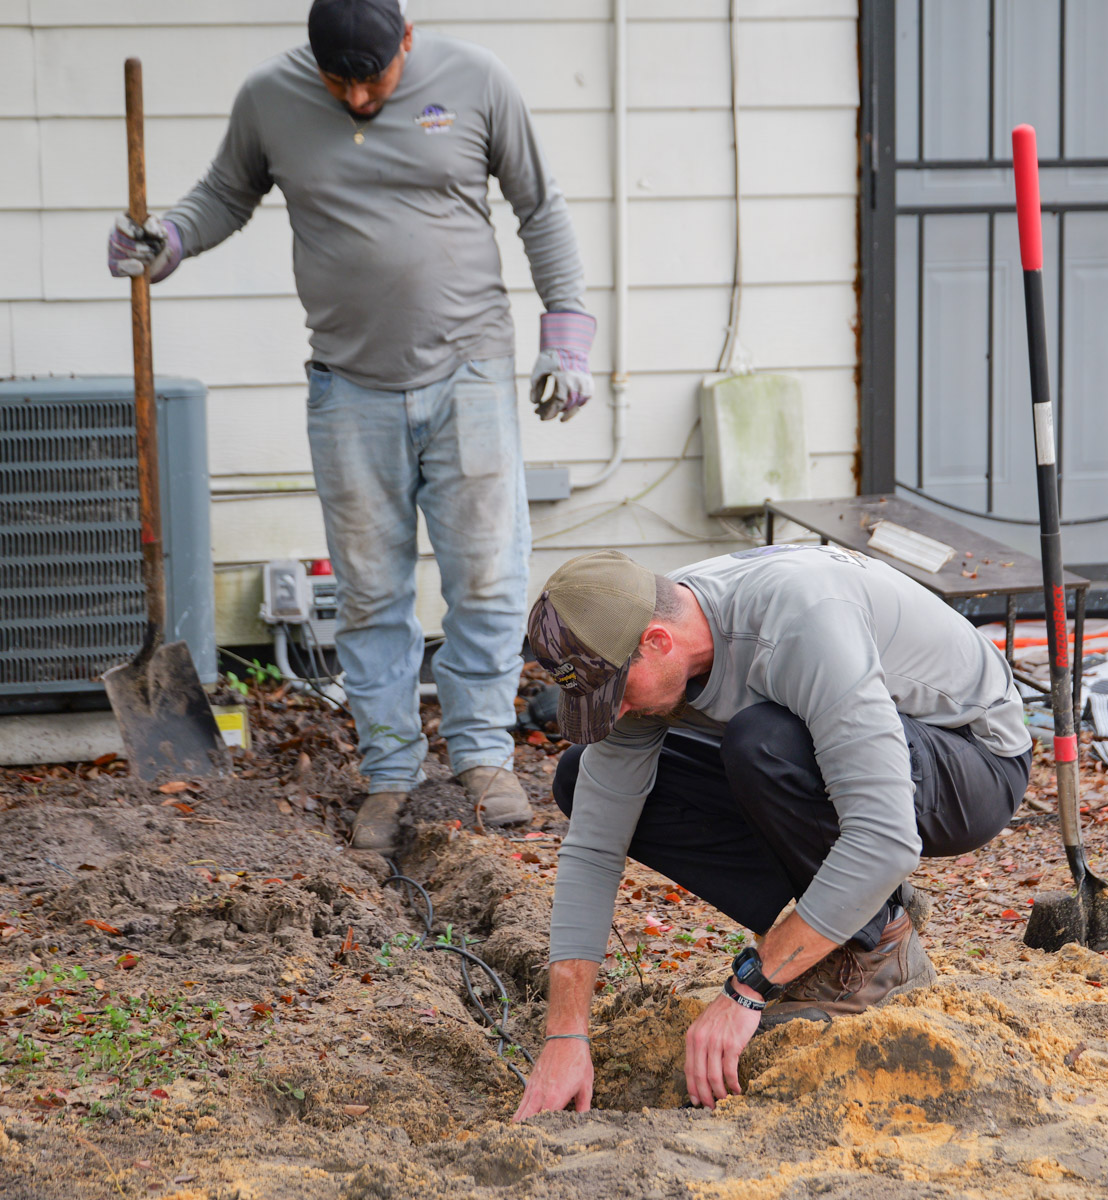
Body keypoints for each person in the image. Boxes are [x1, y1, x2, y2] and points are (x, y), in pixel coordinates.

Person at [107, 0, 595, 844]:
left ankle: (481, 754)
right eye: (341, 83)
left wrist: (568, 336)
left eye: (375, 80)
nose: (360, 100)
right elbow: (227, 191)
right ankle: (390, 769)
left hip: (469, 371)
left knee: (487, 577)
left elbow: (539, 206)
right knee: (370, 591)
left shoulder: (477, 81)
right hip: (349, 386)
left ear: (408, 38)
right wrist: (172, 237)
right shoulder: (273, 96)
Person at [513, 545, 1032, 1118]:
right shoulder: (641, 632)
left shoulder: (801, 624)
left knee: (763, 742)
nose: (614, 715)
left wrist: (750, 986)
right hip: (850, 755)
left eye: (615, 695)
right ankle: (842, 918)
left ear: (658, 642)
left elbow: (885, 834)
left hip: (971, 760)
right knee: (577, 777)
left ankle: (877, 947)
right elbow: (593, 845)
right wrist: (565, 1035)